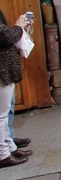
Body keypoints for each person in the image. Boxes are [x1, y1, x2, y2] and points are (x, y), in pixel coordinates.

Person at [0, 9, 34, 167]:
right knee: (1, 115)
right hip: (2, 71)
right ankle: (2, 154)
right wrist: (19, 27)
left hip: (5, 70)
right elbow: (5, 36)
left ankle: (9, 147)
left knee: (4, 113)